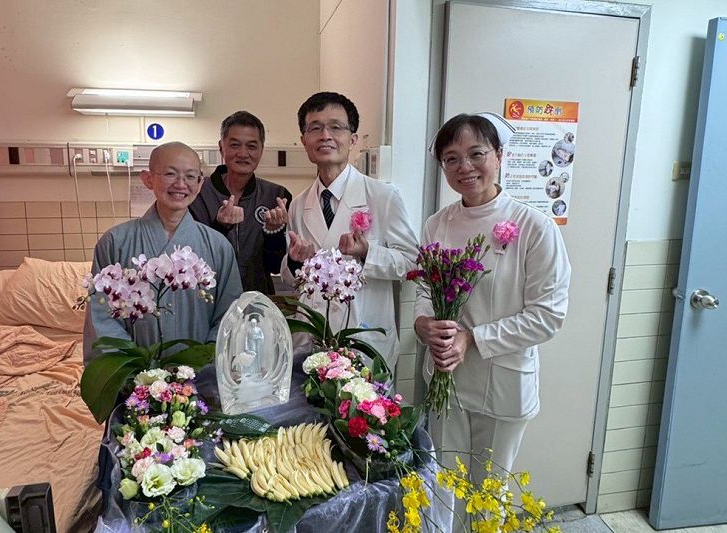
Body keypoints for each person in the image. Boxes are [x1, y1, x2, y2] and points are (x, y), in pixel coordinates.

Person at [414, 113, 571, 520]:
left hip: (503, 381)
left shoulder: (534, 227)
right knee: (443, 490)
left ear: (499, 156)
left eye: (476, 154)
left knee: (487, 497)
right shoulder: (437, 224)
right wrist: (423, 324)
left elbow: (548, 316)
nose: (464, 167)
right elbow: (423, 292)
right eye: (451, 159)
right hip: (446, 379)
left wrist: (473, 338)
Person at [281, 92, 419, 367]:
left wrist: (368, 252)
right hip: (313, 341)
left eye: (336, 127)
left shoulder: (383, 196)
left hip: (363, 338)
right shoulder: (298, 204)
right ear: (304, 141)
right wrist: (296, 261)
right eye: (315, 128)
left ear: (353, 139)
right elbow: (290, 279)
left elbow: (411, 262)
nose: (325, 136)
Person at [84, 142, 243, 364]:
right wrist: (133, 372)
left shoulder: (218, 246)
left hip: (201, 373)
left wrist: (203, 366)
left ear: (200, 184)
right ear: (148, 179)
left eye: (190, 176)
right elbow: (101, 318)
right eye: (170, 174)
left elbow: (229, 316)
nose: (180, 184)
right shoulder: (114, 242)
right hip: (134, 375)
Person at [190, 111, 292, 294]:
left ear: (261, 150)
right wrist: (220, 227)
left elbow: (276, 266)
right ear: (221, 147)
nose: (243, 153)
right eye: (235, 145)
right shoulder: (196, 194)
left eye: (252, 146)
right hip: (206, 298)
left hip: (257, 299)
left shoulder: (277, 196)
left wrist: (273, 233)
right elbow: (190, 256)